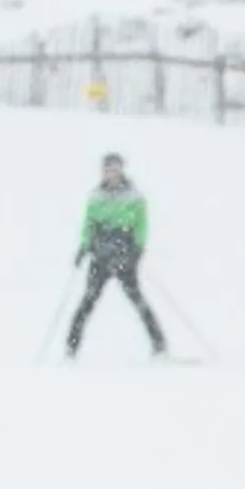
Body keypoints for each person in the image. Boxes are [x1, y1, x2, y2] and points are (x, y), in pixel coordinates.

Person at [65, 152, 166, 359]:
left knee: (137, 300)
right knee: (87, 301)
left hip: (124, 254)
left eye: (115, 169)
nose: (112, 174)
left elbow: (141, 225)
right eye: (108, 170)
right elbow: (88, 225)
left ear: (121, 171)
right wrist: (83, 248)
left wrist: (137, 250)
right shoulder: (95, 196)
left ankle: (159, 344)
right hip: (100, 255)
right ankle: (70, 348)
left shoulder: (134, 196)